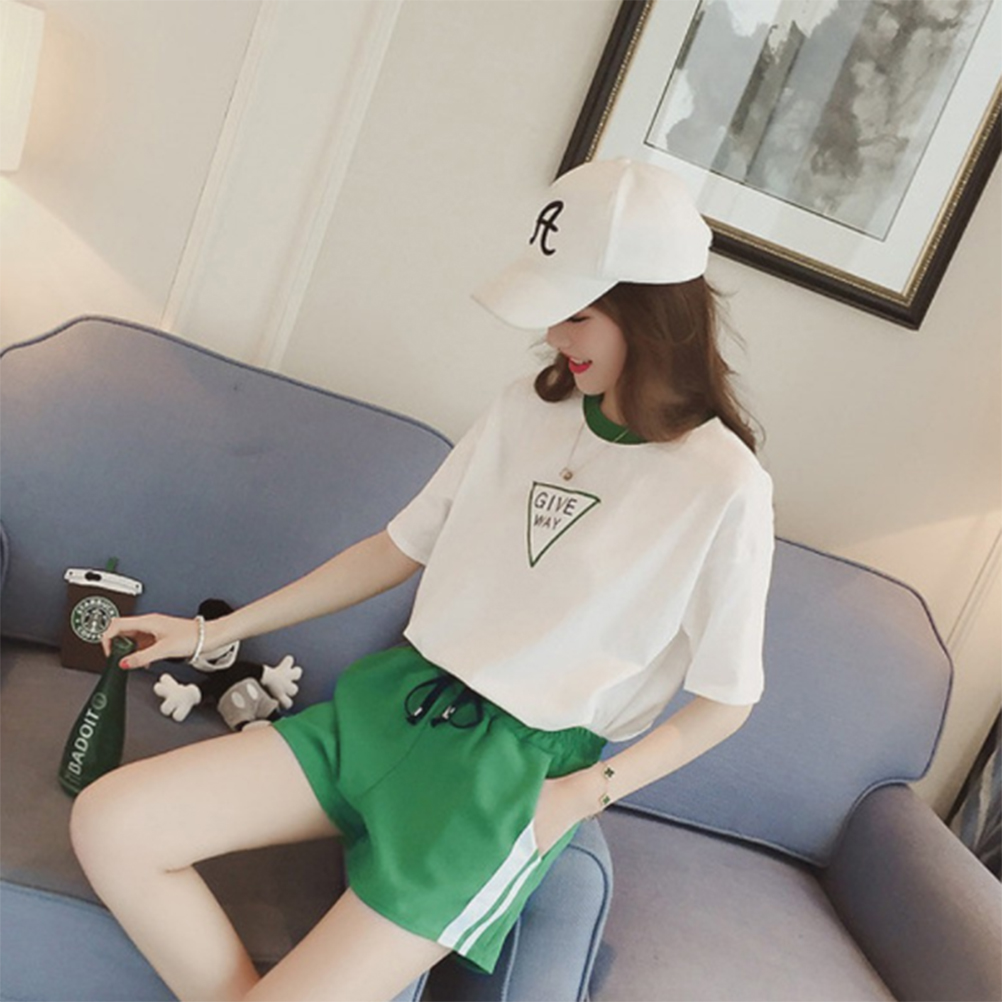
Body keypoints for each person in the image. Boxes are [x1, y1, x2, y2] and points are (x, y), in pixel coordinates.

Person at [71, 158, 775, 1002]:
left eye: (579, 315)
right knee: (111, 823)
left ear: (654, 315)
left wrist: (585, 793)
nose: (556, 337)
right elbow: (396, 548)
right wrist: (207, 633)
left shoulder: (724, 485)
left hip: (506, 780)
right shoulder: (527, 408)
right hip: (394, 702)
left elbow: (728, 700)